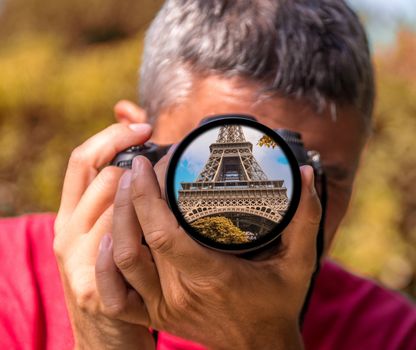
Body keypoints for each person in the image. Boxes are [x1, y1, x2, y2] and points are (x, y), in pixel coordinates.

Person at [1, 0, 415, 349]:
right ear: (133, 144)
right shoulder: (11, 278)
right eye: (202, 175)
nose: (282, 214)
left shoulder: (394, 334)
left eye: (317, 175)